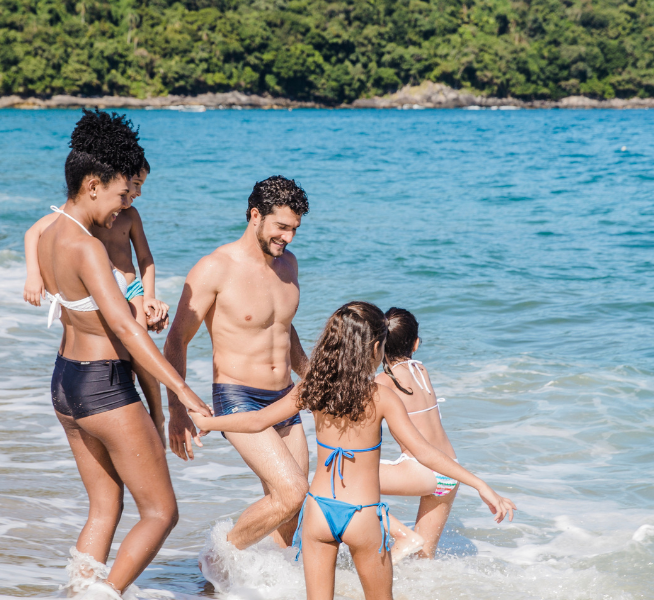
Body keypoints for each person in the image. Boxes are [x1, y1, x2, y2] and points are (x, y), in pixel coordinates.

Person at [188, 302, 517, 600]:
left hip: (319, 511)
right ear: (375, 348)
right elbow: (425, 453)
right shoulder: (381, 397)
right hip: (362, 514)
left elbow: (257, 420)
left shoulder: (313, 388)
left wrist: (208, 422)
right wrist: (480, 485)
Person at [38, 109, 212, 599]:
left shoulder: (50, 234)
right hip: (104, 386)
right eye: (121, 194)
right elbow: (125, 330)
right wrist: (182, 394)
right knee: (161, 512)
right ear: (93, 185)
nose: (125, 205)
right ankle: (103, 596)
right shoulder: (87, 248)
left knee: (105, 504)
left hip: (66, 383)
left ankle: (78, 593)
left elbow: (104, 317)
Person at [162, 176, 311, 555]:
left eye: (295, 229)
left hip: (286, 397)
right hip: (238, 397)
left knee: (291, 512)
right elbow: (176, 340)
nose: (289, 238)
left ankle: (270, 580)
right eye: (282, 227)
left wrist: (311, 377)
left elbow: (282, 328)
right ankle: (218, 559)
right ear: (255, 215)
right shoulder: (215, 268)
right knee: (292, 492)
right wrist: (176, 409)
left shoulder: (288, 265)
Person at [25, 155, 168, 440]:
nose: (137, 192)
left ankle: (157, 413)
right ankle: (130, 408)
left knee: (141, 347)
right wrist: (33, 275)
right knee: (118, 351)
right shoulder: (90, 214)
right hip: (103, 289)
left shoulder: (130, 216)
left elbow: (145, 258)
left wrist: (149, 297)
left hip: (130, 288)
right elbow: (34, 231)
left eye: (140, 186)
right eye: (134, 184)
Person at [374, 307, 459, 560]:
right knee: (423, 559)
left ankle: (401, 534)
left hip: (422, 469)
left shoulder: (384, 381)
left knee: (344, 479)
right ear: (416, 344)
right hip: (450, 470)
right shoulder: (421, 371)